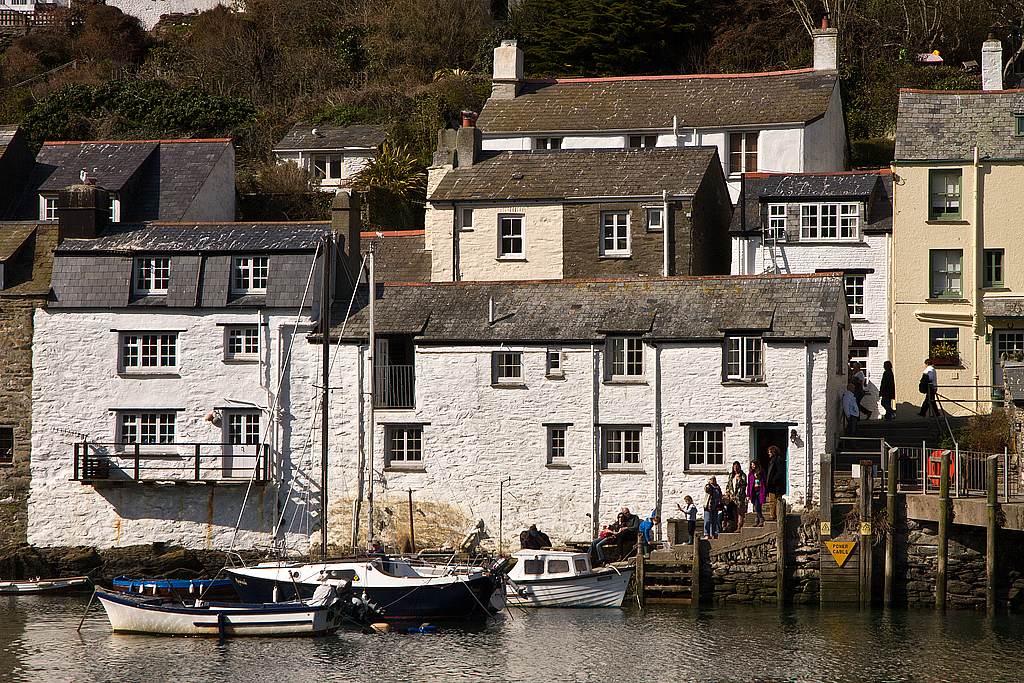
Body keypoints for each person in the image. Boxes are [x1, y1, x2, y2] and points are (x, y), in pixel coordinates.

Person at [726, 461, 747, 531]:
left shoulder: (742, 475)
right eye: (734, 466)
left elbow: (744, 484)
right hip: (733, 497)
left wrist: (739, 480)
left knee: (739, 512)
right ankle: (734, 526)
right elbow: (728, 486)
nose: (736, 468)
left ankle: (740, 526)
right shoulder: (731, 476)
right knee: (734, 512)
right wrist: (730, 494)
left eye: (737, 466)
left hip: (739, 496)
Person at [765, 445, 784, 521]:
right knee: (772, 501)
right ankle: (772, 515)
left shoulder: (779, 460)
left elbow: (780, 472)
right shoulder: (772, 461)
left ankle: (777, 515)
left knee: (777, 501)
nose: (769, 453)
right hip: (772, 485)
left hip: (776, 485)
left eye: (770, 452)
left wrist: (774, 480)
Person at [747, 461, 766, 526]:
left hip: (760, 491)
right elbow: (749, 484)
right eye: (751, 465)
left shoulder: (761, 472)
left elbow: (764, 482)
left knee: (759, 506)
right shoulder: (750, 474)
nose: (752, 466)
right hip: (753, 492)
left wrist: (765, 491)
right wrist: (748, 494)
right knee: (756, 506)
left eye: (754, 465)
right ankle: (761, 518)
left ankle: (757, 520)